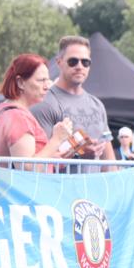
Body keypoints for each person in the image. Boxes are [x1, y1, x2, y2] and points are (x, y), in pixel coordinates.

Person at [31, 36, 115, 172]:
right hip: (59, 189)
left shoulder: (97, 105)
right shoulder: (45, 103)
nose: (79, 66)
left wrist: (114, 188)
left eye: (85, 62)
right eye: (73, 61)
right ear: (59, 62)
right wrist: (79, 153)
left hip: (93, 190)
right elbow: (38, 159)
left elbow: (109, 158)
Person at [0, 53, 72, 171]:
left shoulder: (3, 110)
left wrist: (52, 157)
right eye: (41, 80)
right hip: (20, 189)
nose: (47, 86)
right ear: (20, 82)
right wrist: (56, 139)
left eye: (48, 80)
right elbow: (27, 167)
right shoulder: (19, 117)